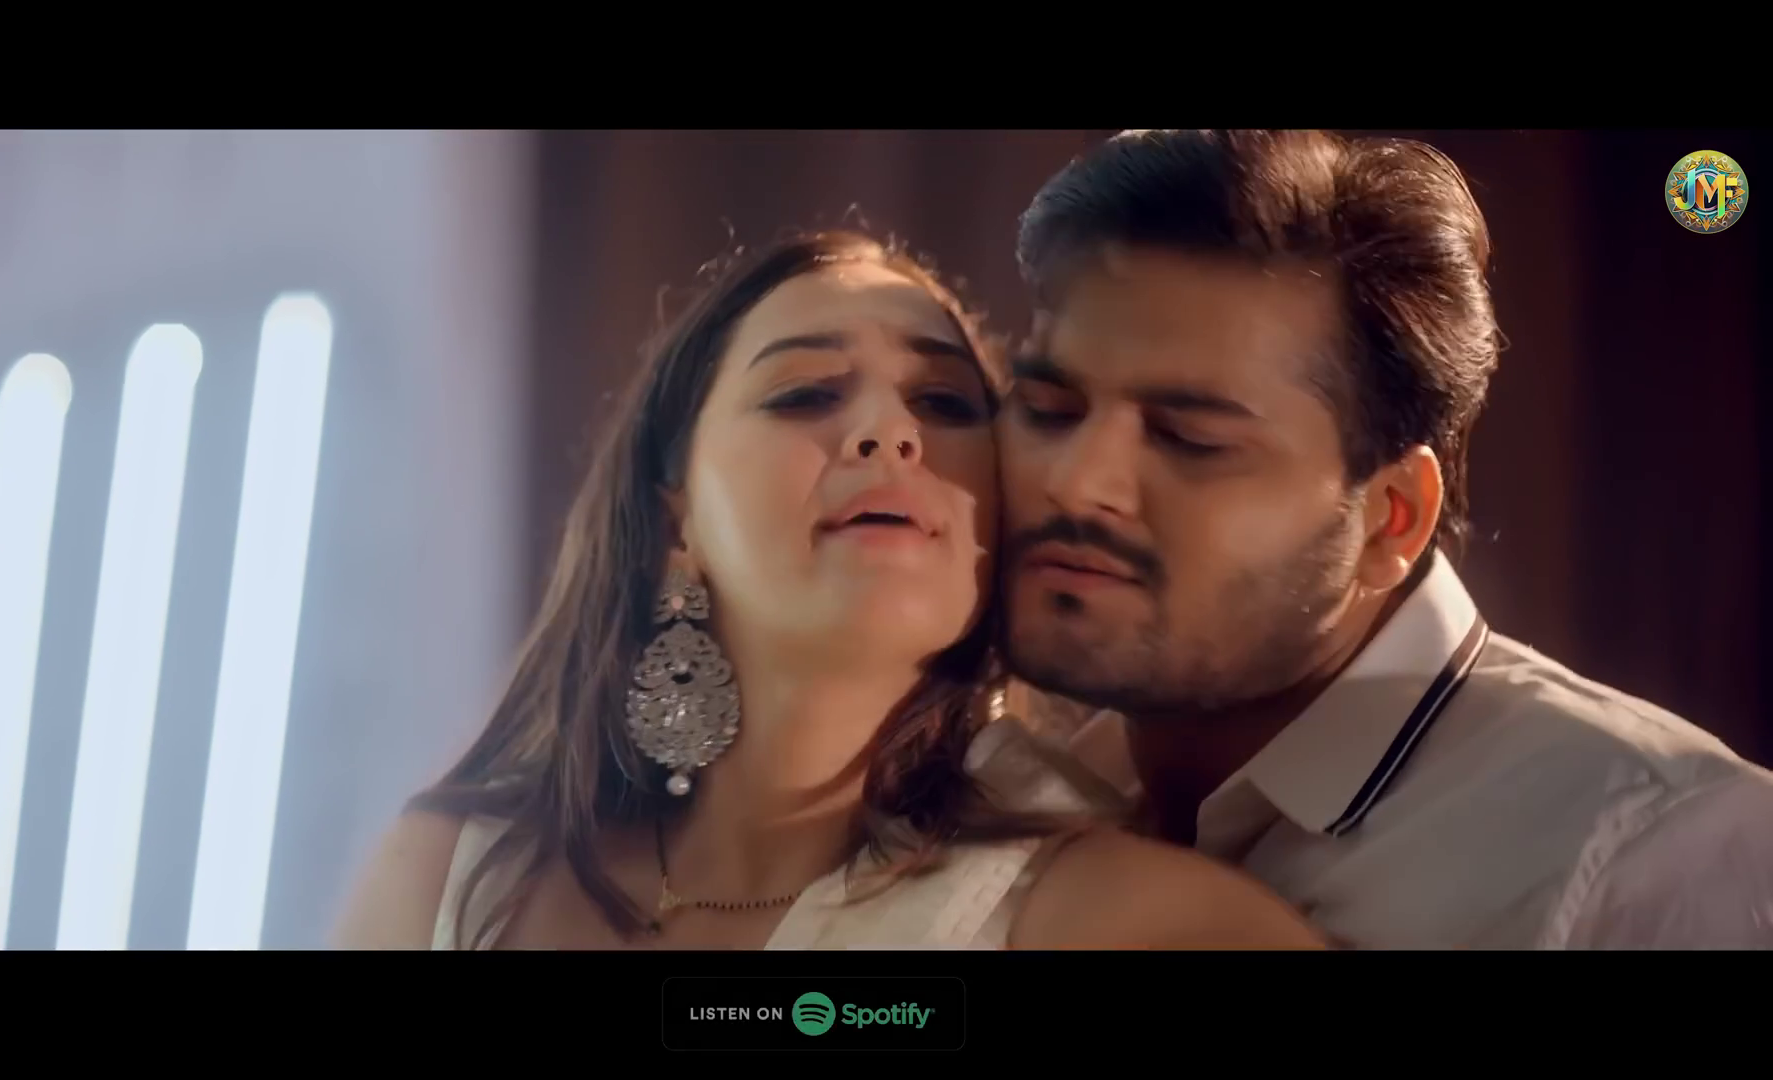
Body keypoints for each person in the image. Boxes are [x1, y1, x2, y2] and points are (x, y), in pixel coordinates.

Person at [332, 228, 1323, 950]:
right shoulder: (453, 883)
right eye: (806, 393)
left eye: (945, 403)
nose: (890, 434)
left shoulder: (1144, 926)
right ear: (676, 522)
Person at [978, 128, 1773, 949]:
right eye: (1050, 410)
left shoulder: (1661, 856)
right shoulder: (1020, 795)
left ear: (1392, 517)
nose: (1074, 481)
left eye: (1190, 439)